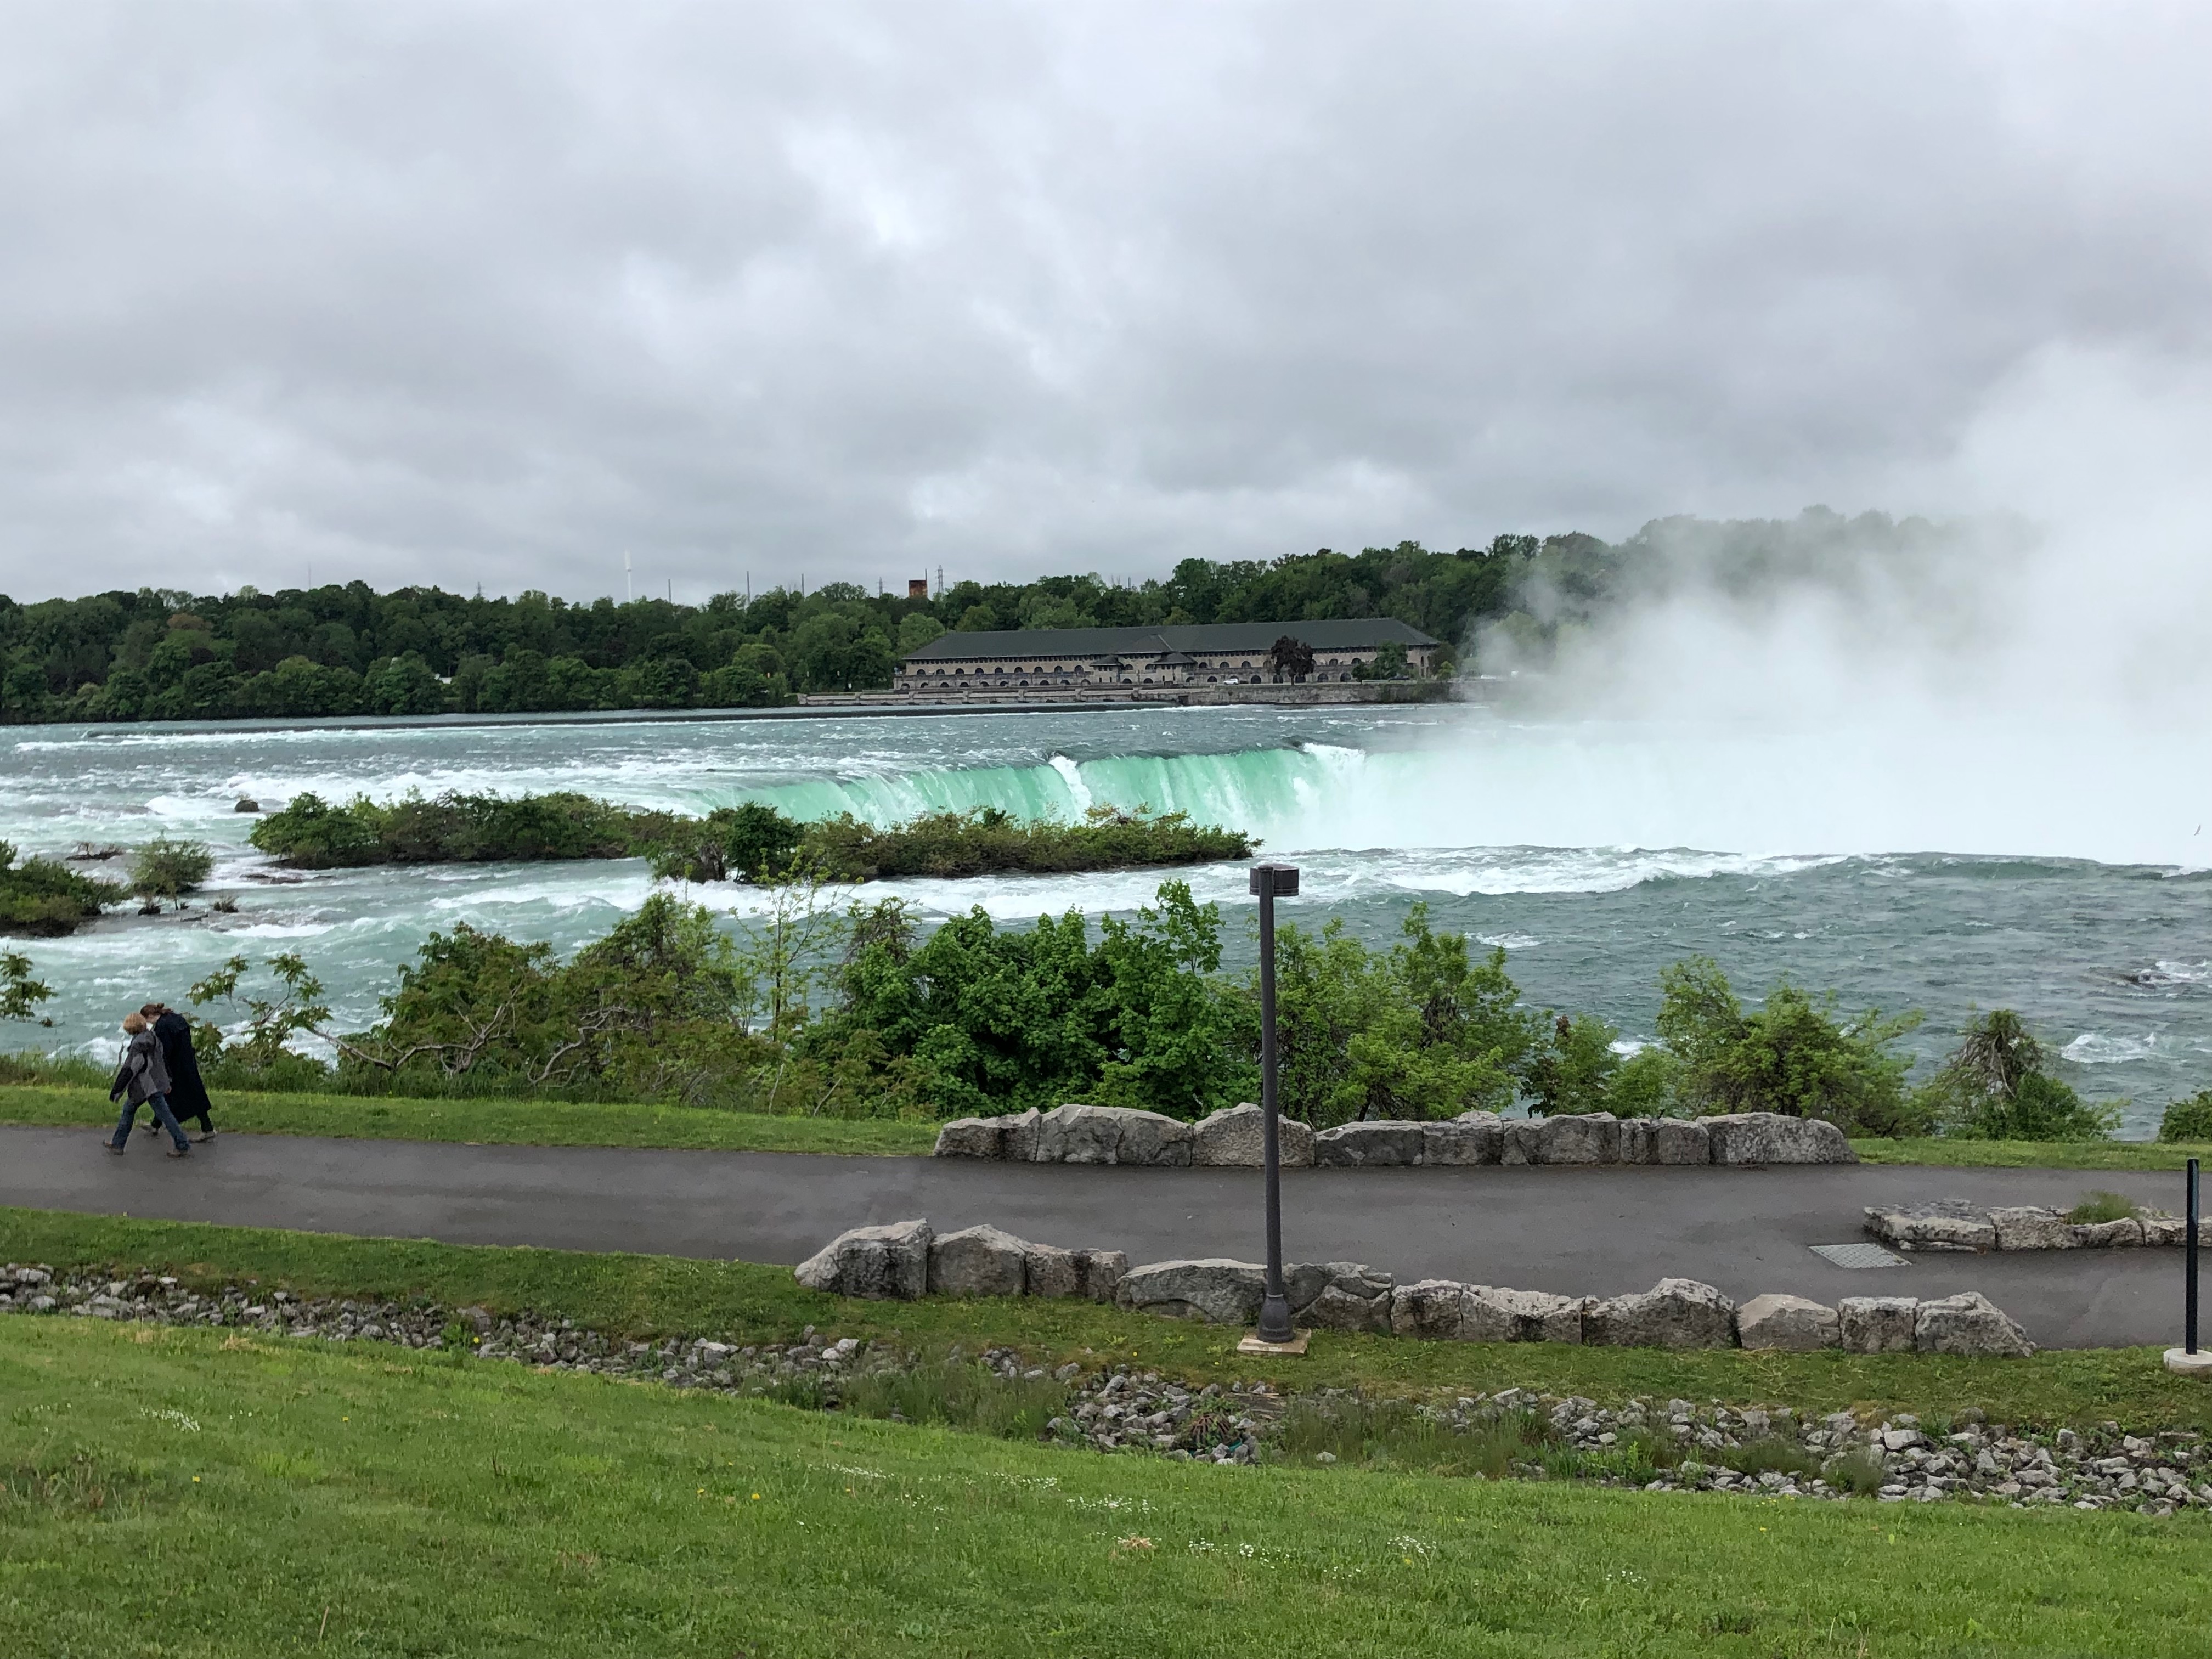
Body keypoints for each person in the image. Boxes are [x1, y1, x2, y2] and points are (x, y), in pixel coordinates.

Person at [109, 1012, 190, 1157]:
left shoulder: (137, 1046)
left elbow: (130, 1069)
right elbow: (162, 1061)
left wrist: (117, 1091)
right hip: (156, 1083)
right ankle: (118, 1143)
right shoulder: (153, 1038)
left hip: (144, 1086)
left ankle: (182, 1144)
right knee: (140, 1112)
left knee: (160, 1115)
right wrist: (167, 1080)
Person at [143, 1001, 215, 1142]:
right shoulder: (175, 1018)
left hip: (174, 1067)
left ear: (151, 1016)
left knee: (167, 1095)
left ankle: (205, 1129)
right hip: (187, 1062)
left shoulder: (162, 1027)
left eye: (147, 1020)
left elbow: (165, 1050)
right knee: (194, 1095)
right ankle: (156, 1125)